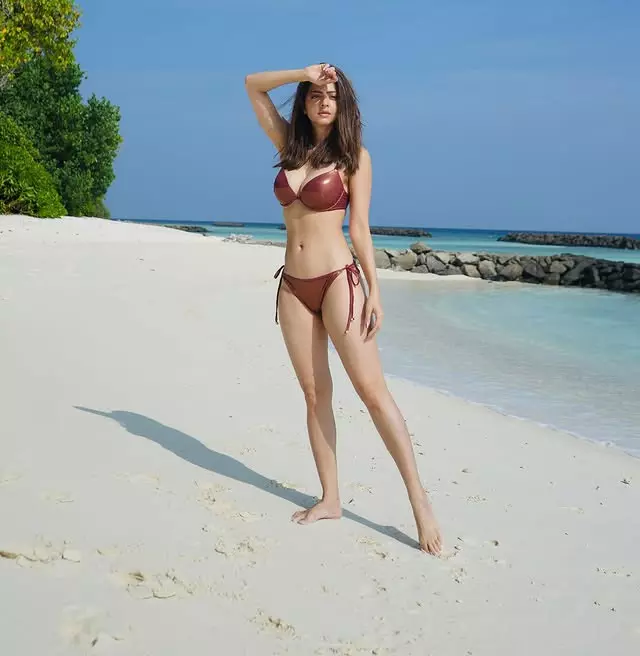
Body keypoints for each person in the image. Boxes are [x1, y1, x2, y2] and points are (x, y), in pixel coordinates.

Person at [244, 63, 442, 555]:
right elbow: (252, 85)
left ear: (343, 104)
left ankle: (419, 500)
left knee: (372, 392)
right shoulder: (288, 144)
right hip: (293, 286)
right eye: (315, 94)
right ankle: (331, 498)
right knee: (314, 395)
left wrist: (375, 289)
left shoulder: (355, 158)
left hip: (338, 281)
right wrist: (303, 71)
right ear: (305, 101)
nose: (324, 102)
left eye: (332, 95)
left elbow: (360, 229)